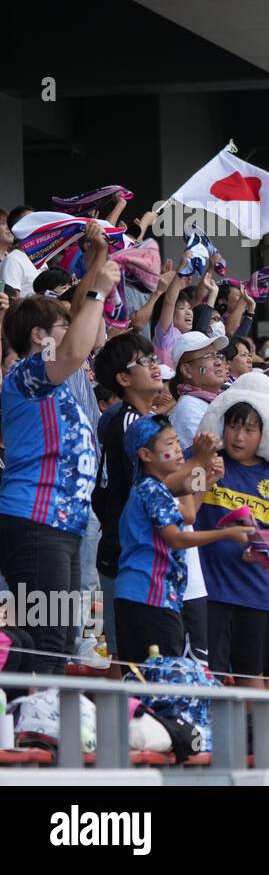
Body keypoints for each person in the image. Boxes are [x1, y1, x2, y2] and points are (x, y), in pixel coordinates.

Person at [0, 226, 117, 673]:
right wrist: (98, 293)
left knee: (62, 636)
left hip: (62, 523)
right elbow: (73, 345)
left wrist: (93, 263)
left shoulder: (58, 377)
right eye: (62, 328)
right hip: (34, 518)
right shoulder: (29, 375)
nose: (75, 334)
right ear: (38, 338)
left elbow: (74, 329)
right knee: (46, 636)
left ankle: (42, 721)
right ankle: (28, 720)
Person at [113, 416, 253, 663]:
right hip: (148, 594)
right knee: (157, 682)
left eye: (178, 441)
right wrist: (227, 533)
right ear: (145, 454)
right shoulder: (151, 488)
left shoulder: (157, 488)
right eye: (169, 443)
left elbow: (189, 512)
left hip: (158, 594)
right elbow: (177, 539)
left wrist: (206, 478)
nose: (178, 448)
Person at [192, 374, 269, 687]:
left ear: (264, 434)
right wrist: (205, 472)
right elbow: (185, 506)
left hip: (256, 593)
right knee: (205, 677)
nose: (239, 436)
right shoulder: (206, 462)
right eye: (233, 426)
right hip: (207, 591)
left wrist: (266, 546)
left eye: (249, 429)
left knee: (251, 680)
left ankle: (252, 738)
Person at [169, 330, 229, 448]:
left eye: (218, 356)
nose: (218, 362)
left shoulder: (218, 399)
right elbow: (206, 456)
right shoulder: (188, 407)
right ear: (187, 370)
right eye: (209, 357)